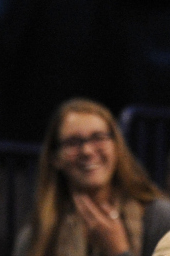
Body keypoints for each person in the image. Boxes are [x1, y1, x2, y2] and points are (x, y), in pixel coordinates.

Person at [13, 98, 170, 256]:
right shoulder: (37, 234)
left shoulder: (161, 219)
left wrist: (119, 251)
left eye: (98, 137)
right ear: (55, 157)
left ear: (117, 146)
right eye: (73, 142)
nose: (87, 151)